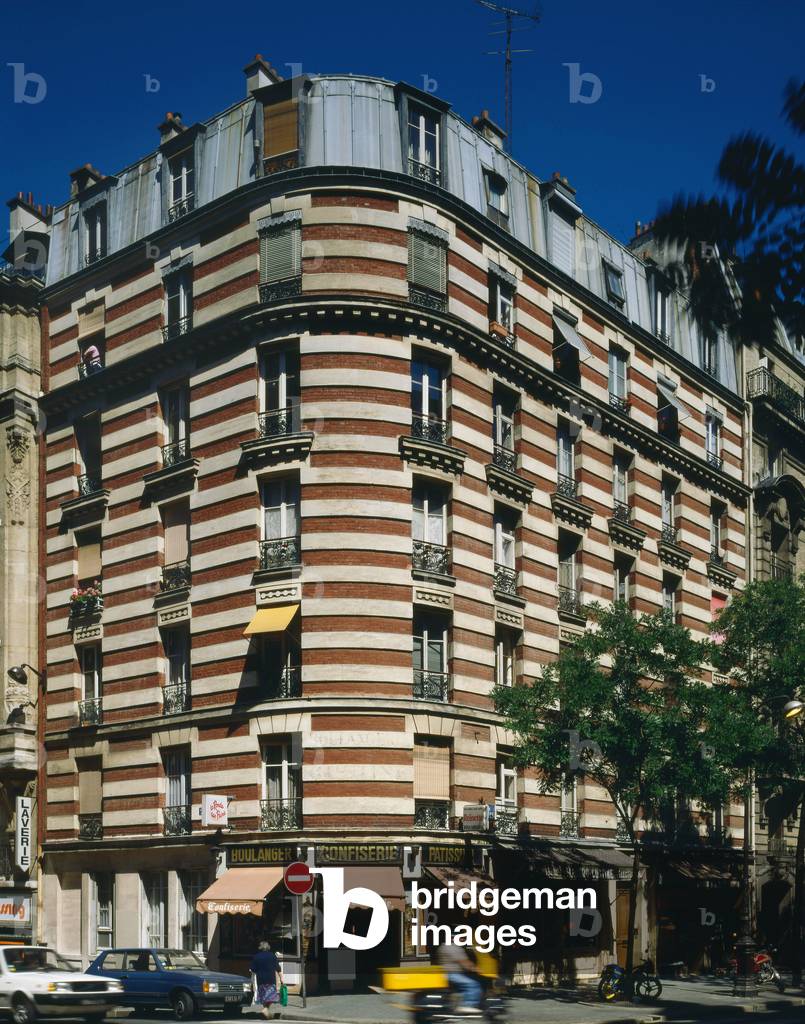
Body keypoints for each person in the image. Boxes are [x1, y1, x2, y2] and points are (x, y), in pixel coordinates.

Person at [435, 942, 482, 1015]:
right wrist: (475, 969)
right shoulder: (452, 948)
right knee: (473, 985)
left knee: (464, 988)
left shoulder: (445, 946)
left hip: (450, 973)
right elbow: (463, 961)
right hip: (453, 973)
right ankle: (468, 1006)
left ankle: (457, 1005)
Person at [250, 940, 284, 1019]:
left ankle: (266, 1011)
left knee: (264, 997)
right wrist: (281, 978)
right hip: (270, 979)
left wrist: (252, 982)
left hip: (261, 980)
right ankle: (265, 1009)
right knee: (270, 996)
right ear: (268, 947)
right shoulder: (272, 956)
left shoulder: (256, 956)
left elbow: (252, 970)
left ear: (260, 947)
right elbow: (278, 968)